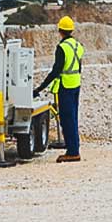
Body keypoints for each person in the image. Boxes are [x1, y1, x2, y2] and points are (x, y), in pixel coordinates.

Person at [33, 16, 84, 162]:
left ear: (60, 31)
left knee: (67, 119)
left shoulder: (62, 48)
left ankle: (73, 152)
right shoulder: (78, 45)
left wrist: (39, 88)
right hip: (75, 84)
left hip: (66, 87)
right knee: (73, 118)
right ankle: (74, 147)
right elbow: (78, 66)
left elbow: (56, 71)